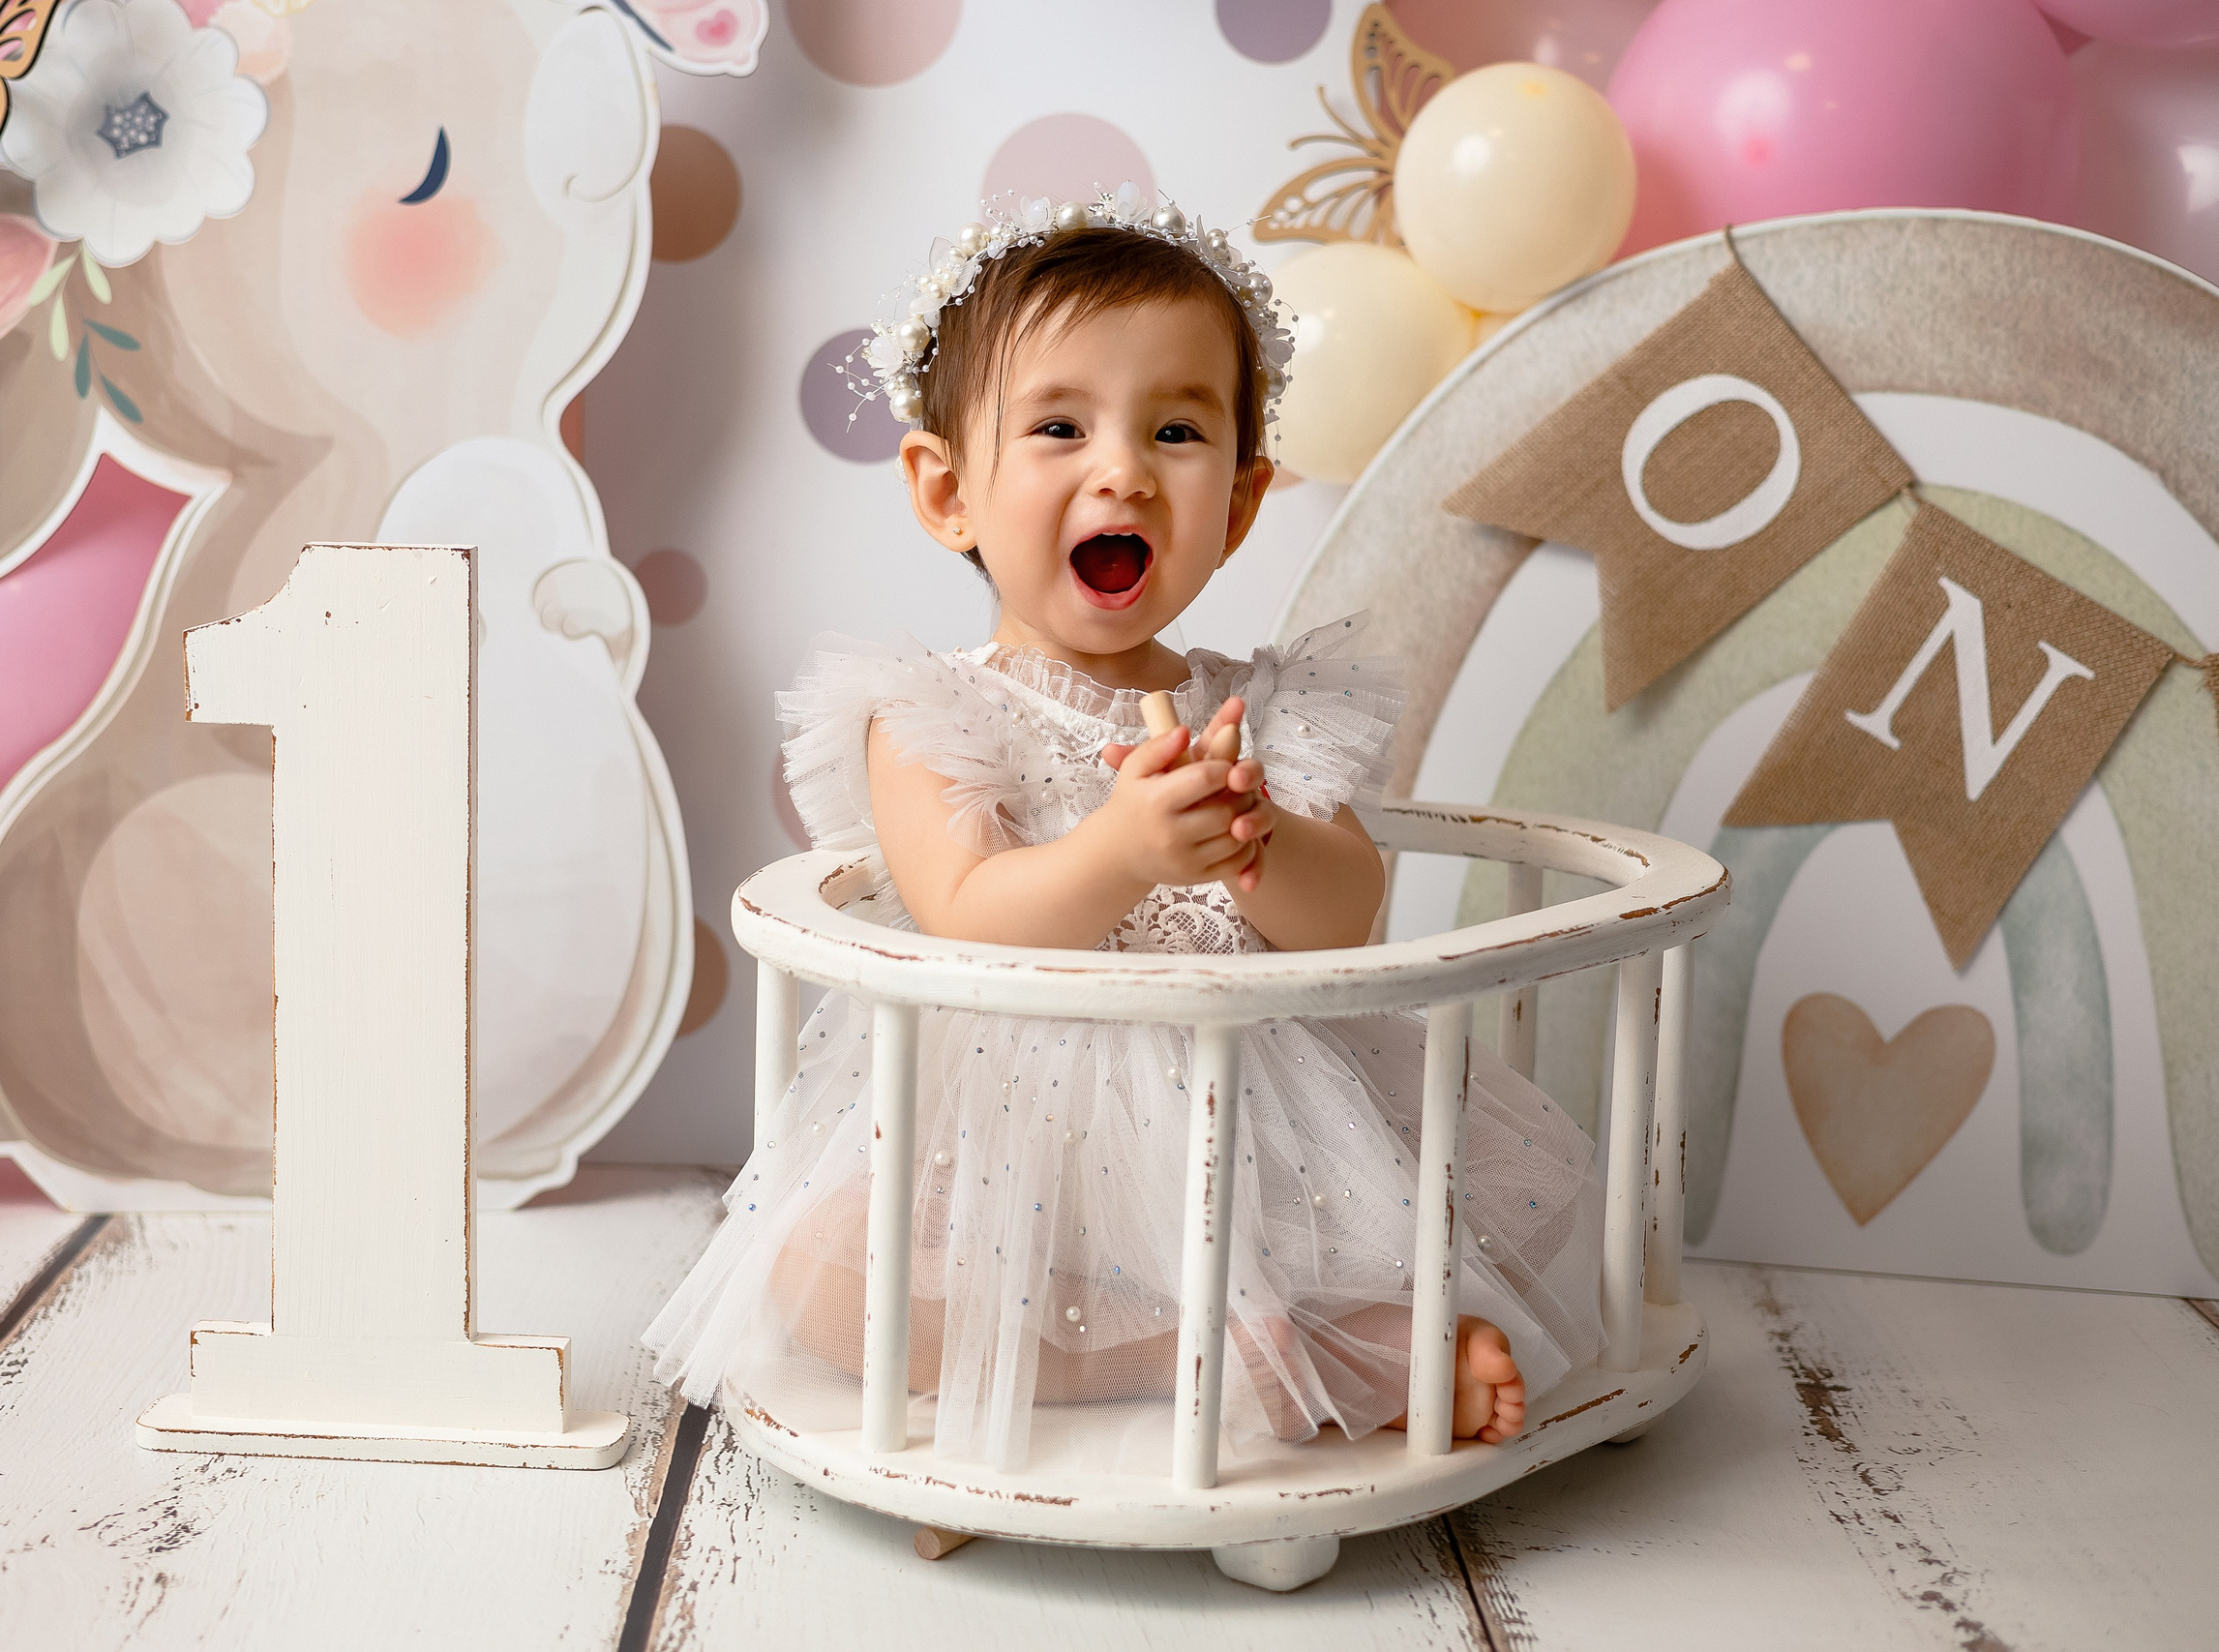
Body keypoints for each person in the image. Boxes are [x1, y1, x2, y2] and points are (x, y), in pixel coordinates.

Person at [645, 190, 1601, 1472]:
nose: (1124, 468)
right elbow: (964, 911)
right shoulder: (928, 710)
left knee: (1484, 1206)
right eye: (1057, 424)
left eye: (1176, 429)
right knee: (824, 1283)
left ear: (1242, 506)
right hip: (1004, 1133)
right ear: (947, 492)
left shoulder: (1258, 713)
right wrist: (1119, 852)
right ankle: (1198, 1355)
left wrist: (1258, 842)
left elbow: (1347, 914)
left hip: (1242, 1121)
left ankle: (1314, 1326)